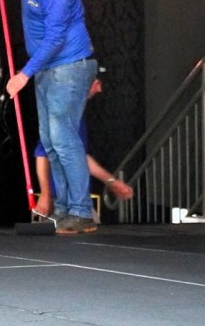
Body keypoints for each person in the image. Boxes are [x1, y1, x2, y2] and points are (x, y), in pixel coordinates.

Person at [0, 0, 99, 233]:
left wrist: (24, 75)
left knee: (64, 138)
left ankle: (81, 211)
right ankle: (64, 210)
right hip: (47, 69)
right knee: (50, 141)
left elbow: (55, 39)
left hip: (69, 65)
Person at [32, 75, 134, 220]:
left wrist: (111, 181)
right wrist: (46, 194)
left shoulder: (74, 113)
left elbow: (81, 158)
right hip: (59, 200)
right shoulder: (64, 112)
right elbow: (42, 154)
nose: (99, 89)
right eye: (97, 83)